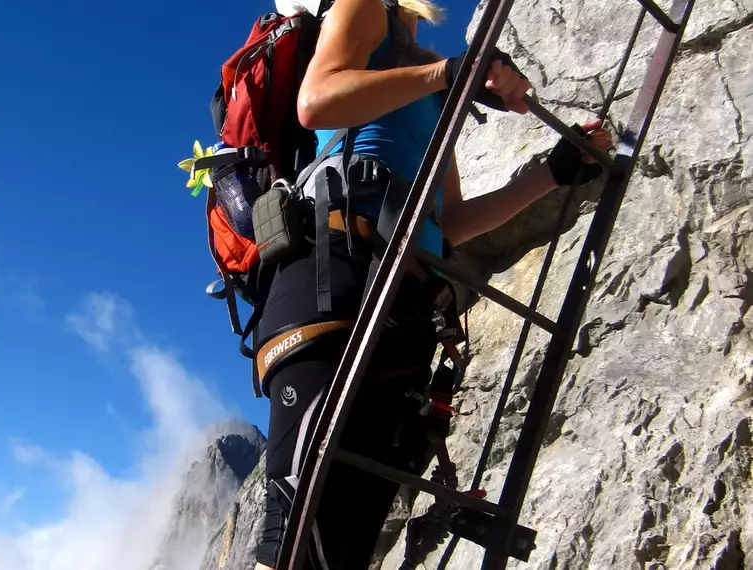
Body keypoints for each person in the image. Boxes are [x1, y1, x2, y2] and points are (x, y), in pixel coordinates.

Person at [252, 1, 613, 569]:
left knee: (340, 545)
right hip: (336, 281)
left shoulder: (425, 71)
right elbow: (316, 102)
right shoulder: (366, 7)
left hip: (401, 301)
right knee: (300, 538)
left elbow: (452, 220)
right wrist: (453, 73)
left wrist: (555, 171)